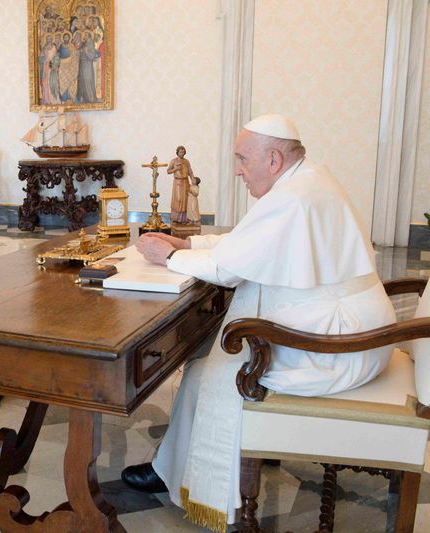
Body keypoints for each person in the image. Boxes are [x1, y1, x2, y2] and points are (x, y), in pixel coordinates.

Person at [121, 114, 396, 532]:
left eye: (242, 159)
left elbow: (231, 269)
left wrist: (170, 257)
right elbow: (251, 243)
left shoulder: (295, 196)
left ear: (272, 158)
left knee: (211, 369)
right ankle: (170, 464)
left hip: (339, 351)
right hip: (352, 331)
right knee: (208, 361)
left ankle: (177, 471)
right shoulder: (305, 180)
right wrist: (189, 242)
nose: (236, 169)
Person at [168, 145, 195, 224]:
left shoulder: (186, 161)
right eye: (180, 152)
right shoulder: (174, 161)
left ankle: (184, 219)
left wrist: (193, 179)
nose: (182, 153)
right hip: (177, 183)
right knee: (178, 199)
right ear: (177, 152)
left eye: (183, 152)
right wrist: (176, 169)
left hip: (185, 182)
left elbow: (190, 171)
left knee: (185, 200)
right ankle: (176, 218)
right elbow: (168, 171)